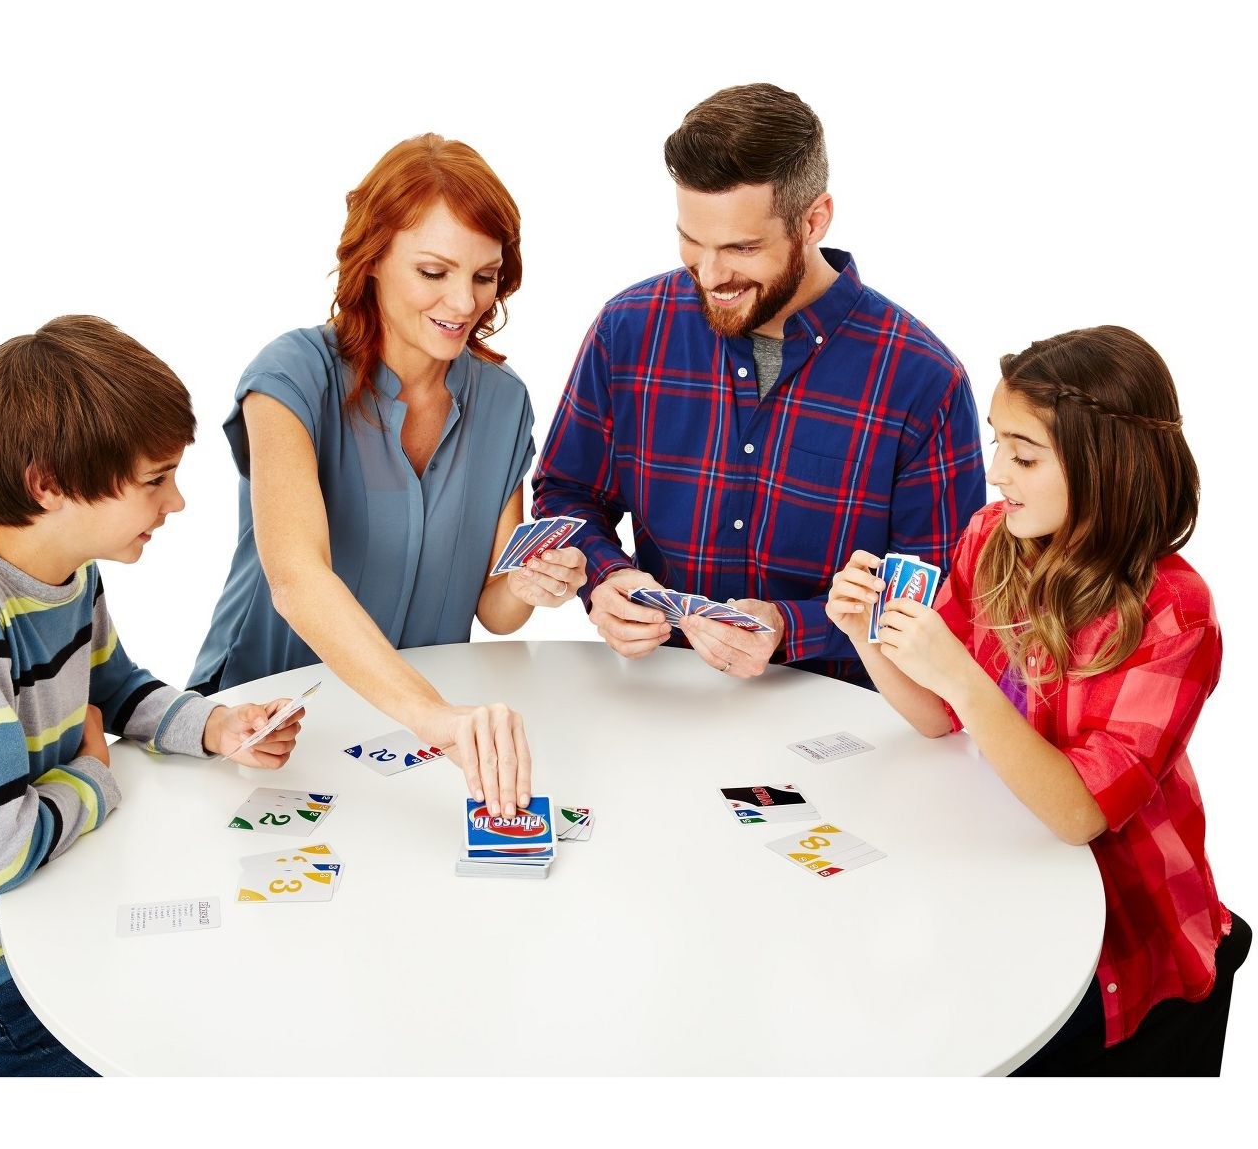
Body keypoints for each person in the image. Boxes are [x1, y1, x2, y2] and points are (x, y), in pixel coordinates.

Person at [0, 316, 304, 1077]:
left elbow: (116, 689)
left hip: (62, 903)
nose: (178, 504)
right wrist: (94, 777)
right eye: (155, 480)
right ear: (49, 484)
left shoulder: (70, 572)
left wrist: (215, 725)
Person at [827, 326, 1240, 1073]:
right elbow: (934, 716)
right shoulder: (992, 537)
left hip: (1127, 933)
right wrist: (865, 635)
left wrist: (960, 676)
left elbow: (1080, 814)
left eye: (1023, 456)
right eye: (996, 445)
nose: (994, 473)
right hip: (1010, 885)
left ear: (1104, 467)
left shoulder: (1176, 612)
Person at [532, 83, 985, 687]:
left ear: (814, 220)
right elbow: (565, 492)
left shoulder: (923, 381)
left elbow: (941, 596)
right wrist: (605, 577)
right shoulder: (628, 330)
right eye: (693, 243)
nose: (712, 274)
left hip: (846, 720)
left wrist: (790, 626)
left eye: (742, 248)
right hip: (661, 697)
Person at [189, 134, 583, 817]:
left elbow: (494, 607)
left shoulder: (503, 400)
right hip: (269, 725)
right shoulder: (291, 377)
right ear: (372, 260)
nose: (464, 302)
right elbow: (296, 580)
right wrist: (434, 717)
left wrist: (529, 582)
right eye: (434, 272)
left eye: (485, 276)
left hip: (418, 745)